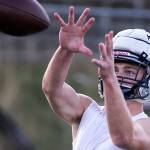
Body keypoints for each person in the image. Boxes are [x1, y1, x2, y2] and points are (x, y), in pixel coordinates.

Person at [42, 6, 150, 150]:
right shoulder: (86, 110)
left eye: (129, 71)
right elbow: (52, 89)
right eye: (114, 69)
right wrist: (65, 50)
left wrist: (110, 80)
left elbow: (123, 137)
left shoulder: (145, 126)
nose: (118, 76)